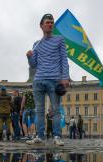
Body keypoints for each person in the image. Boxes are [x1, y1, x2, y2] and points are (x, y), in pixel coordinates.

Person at [26, 13, 70, 146]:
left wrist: (65, 77)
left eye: (52, 22)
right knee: (39, 110)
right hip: (38, 80)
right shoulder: (36, 44)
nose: (50, 24)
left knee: (56, 109)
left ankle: (57, 136)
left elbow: (64, 59)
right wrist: (29, 57)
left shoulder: (59, 40)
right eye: (47, 22)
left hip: (54, 80)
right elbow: (33, 65)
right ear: (41, 25)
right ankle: (39, 136)